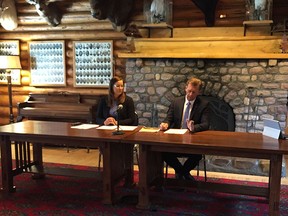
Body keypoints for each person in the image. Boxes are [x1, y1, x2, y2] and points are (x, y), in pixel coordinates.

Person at [160, 77, 210, 181]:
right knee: (162, 152)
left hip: (192, 140)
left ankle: (180, 173)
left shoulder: (204, 104)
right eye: (189, 91)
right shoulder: (176, 102)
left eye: (194, 92)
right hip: (175, 139)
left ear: (198, 92)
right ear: (185, 88)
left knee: (197, 155)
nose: (191, 94)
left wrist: (194, 127)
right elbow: (168, 119)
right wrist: (165, 124)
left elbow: (206, 124)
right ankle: (183, 173)